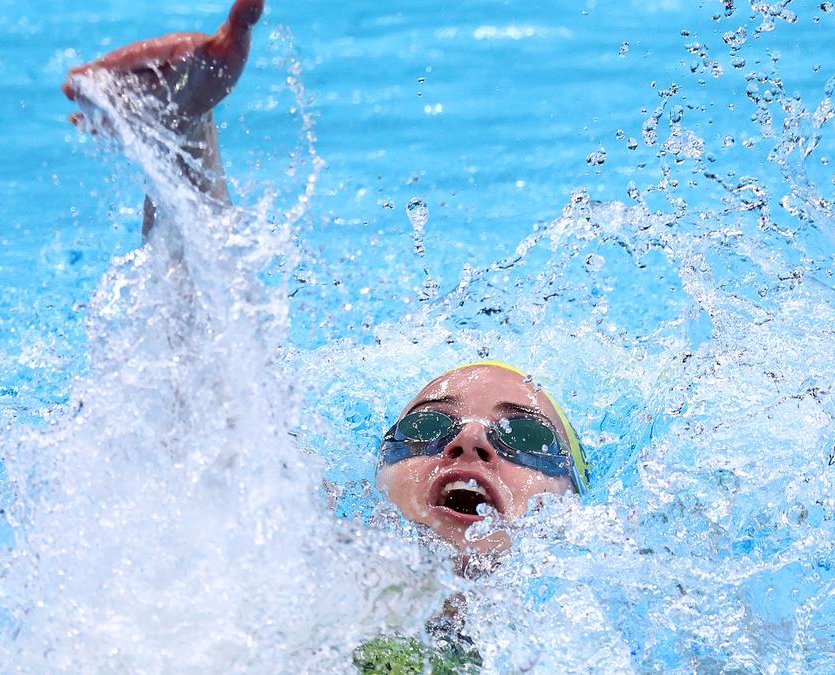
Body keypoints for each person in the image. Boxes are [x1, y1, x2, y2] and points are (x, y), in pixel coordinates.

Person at [62, 2, 590, 671]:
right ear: (380, 481)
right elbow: (207, 406)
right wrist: (179, 138)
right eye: (426, 428)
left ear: (577, 505)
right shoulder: (316, 582)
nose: (470, 440)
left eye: (526, 439)